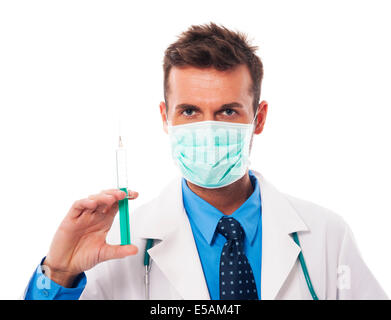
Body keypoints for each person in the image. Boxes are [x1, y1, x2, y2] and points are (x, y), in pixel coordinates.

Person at [24, 22, 387, 300]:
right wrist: (58, 273)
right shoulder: (119, 246)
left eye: (228, 111)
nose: (208, 129)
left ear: (258, 119)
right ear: (166, 117)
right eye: (190, 111)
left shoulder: (326, 234)